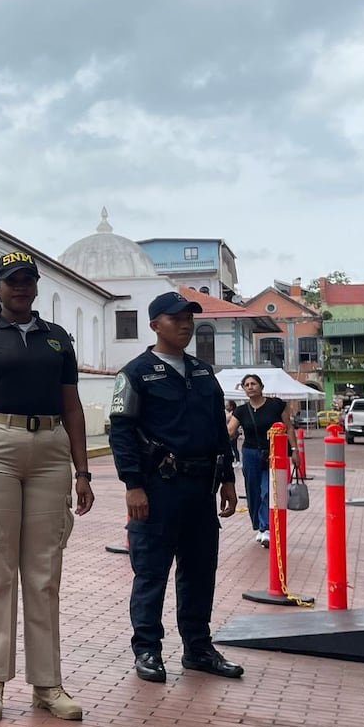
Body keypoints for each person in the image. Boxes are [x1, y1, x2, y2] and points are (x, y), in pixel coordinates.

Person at [0, 250, 95, 723]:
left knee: (44, 572)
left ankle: (47, 684)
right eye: (12, 281)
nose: (21, 288)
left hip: (51, 449)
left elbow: (72, 406)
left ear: (36, 287)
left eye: (28, 280)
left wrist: (83, 471)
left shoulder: (58, 340)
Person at [109, 291, 242, 685]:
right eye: (175, 318)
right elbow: (121, 432)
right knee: (151, 572)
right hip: (158, 487)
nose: (185, 324)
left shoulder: (203, 373)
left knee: (200, 571)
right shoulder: (135, 373)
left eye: (189, 318)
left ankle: (198, 648)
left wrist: (229, 480)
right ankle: (147, 649)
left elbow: (220, 431)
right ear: (155, 325)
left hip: (201, 488)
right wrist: (132, 485)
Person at [230, 374, 291, 548]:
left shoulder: (276, 405)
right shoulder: (241, 411)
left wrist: (294, 450)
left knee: (267, 491)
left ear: (261, 386)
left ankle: (266, 528)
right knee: (253, 492)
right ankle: (259, 525)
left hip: (273, 453)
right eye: (246, 384)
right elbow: (230, 430)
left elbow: (289, 427)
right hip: (250, 454)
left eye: (253, 383)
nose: (250, 387)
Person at [224, 399, 241, 467]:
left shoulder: (233, 413)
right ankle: (236, 460)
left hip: (233, 433)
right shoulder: (230, 413)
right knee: (233, 447)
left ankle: (238, 461)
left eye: (227, 405)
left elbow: (226, 419)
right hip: (232, 433)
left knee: (233, 447)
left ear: (231, 406)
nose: (226, 407)